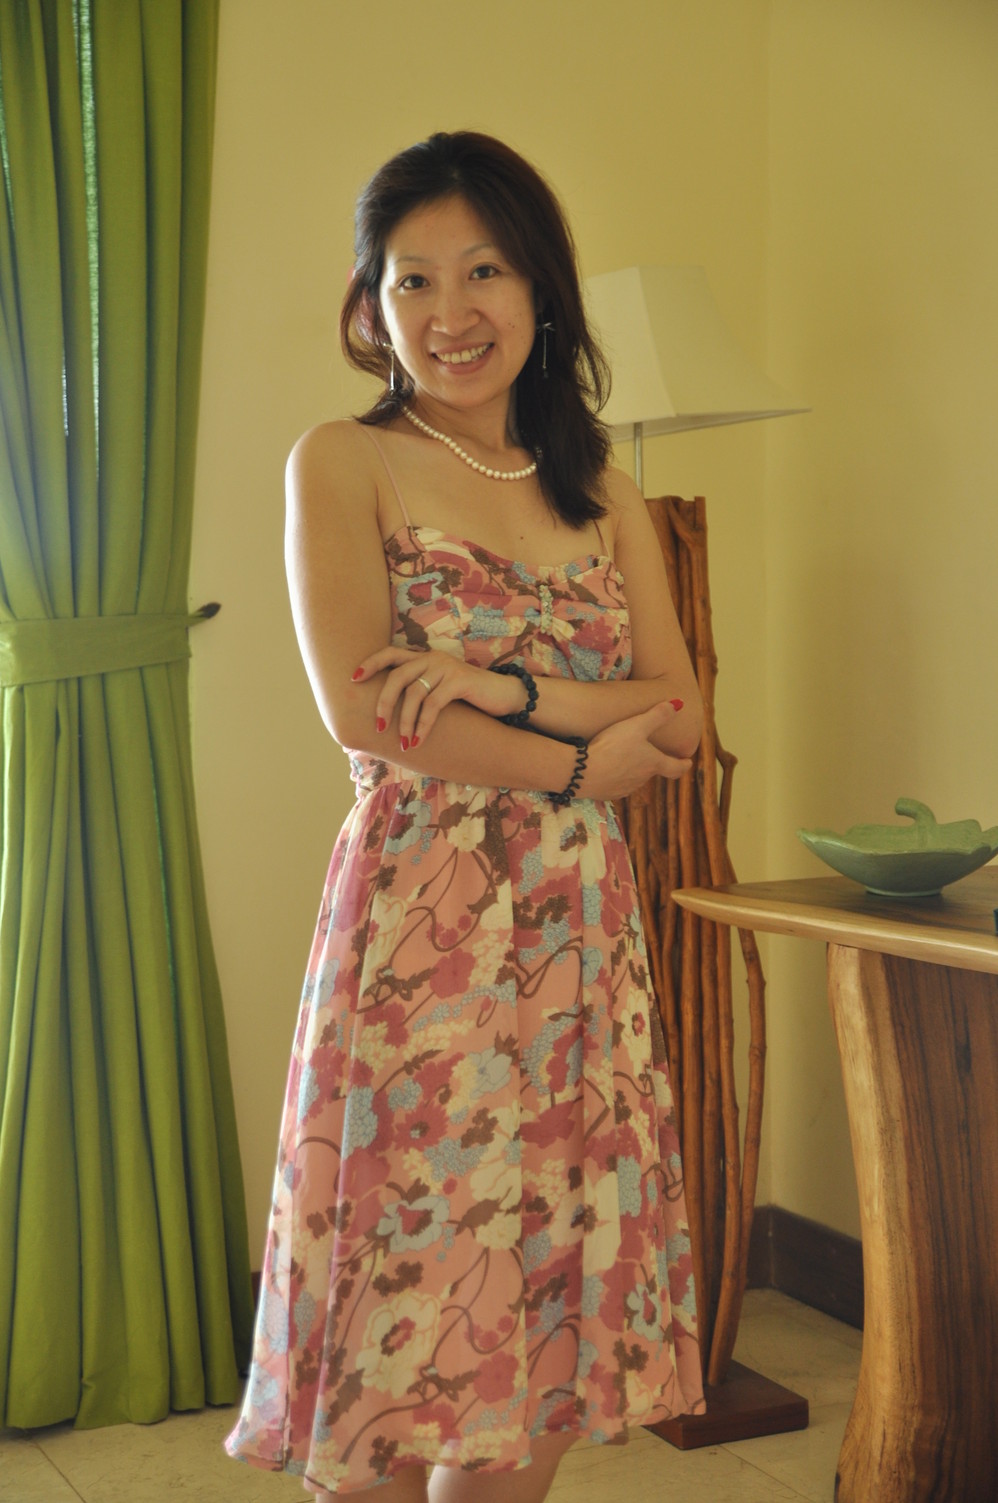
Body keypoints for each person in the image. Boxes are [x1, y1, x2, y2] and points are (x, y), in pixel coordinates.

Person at [225, 130, 705, 1502]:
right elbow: (368, 712)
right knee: (398, 1321)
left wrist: (502, 687)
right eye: (413, 279)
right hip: (421, 933)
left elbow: (678, 713)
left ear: (540, 286)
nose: (451, 312)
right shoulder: (343, 460)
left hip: (577, 940)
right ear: (370, 307)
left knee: (540, 1320)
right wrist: (579, 764)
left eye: (484, 270)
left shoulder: (601, 489)